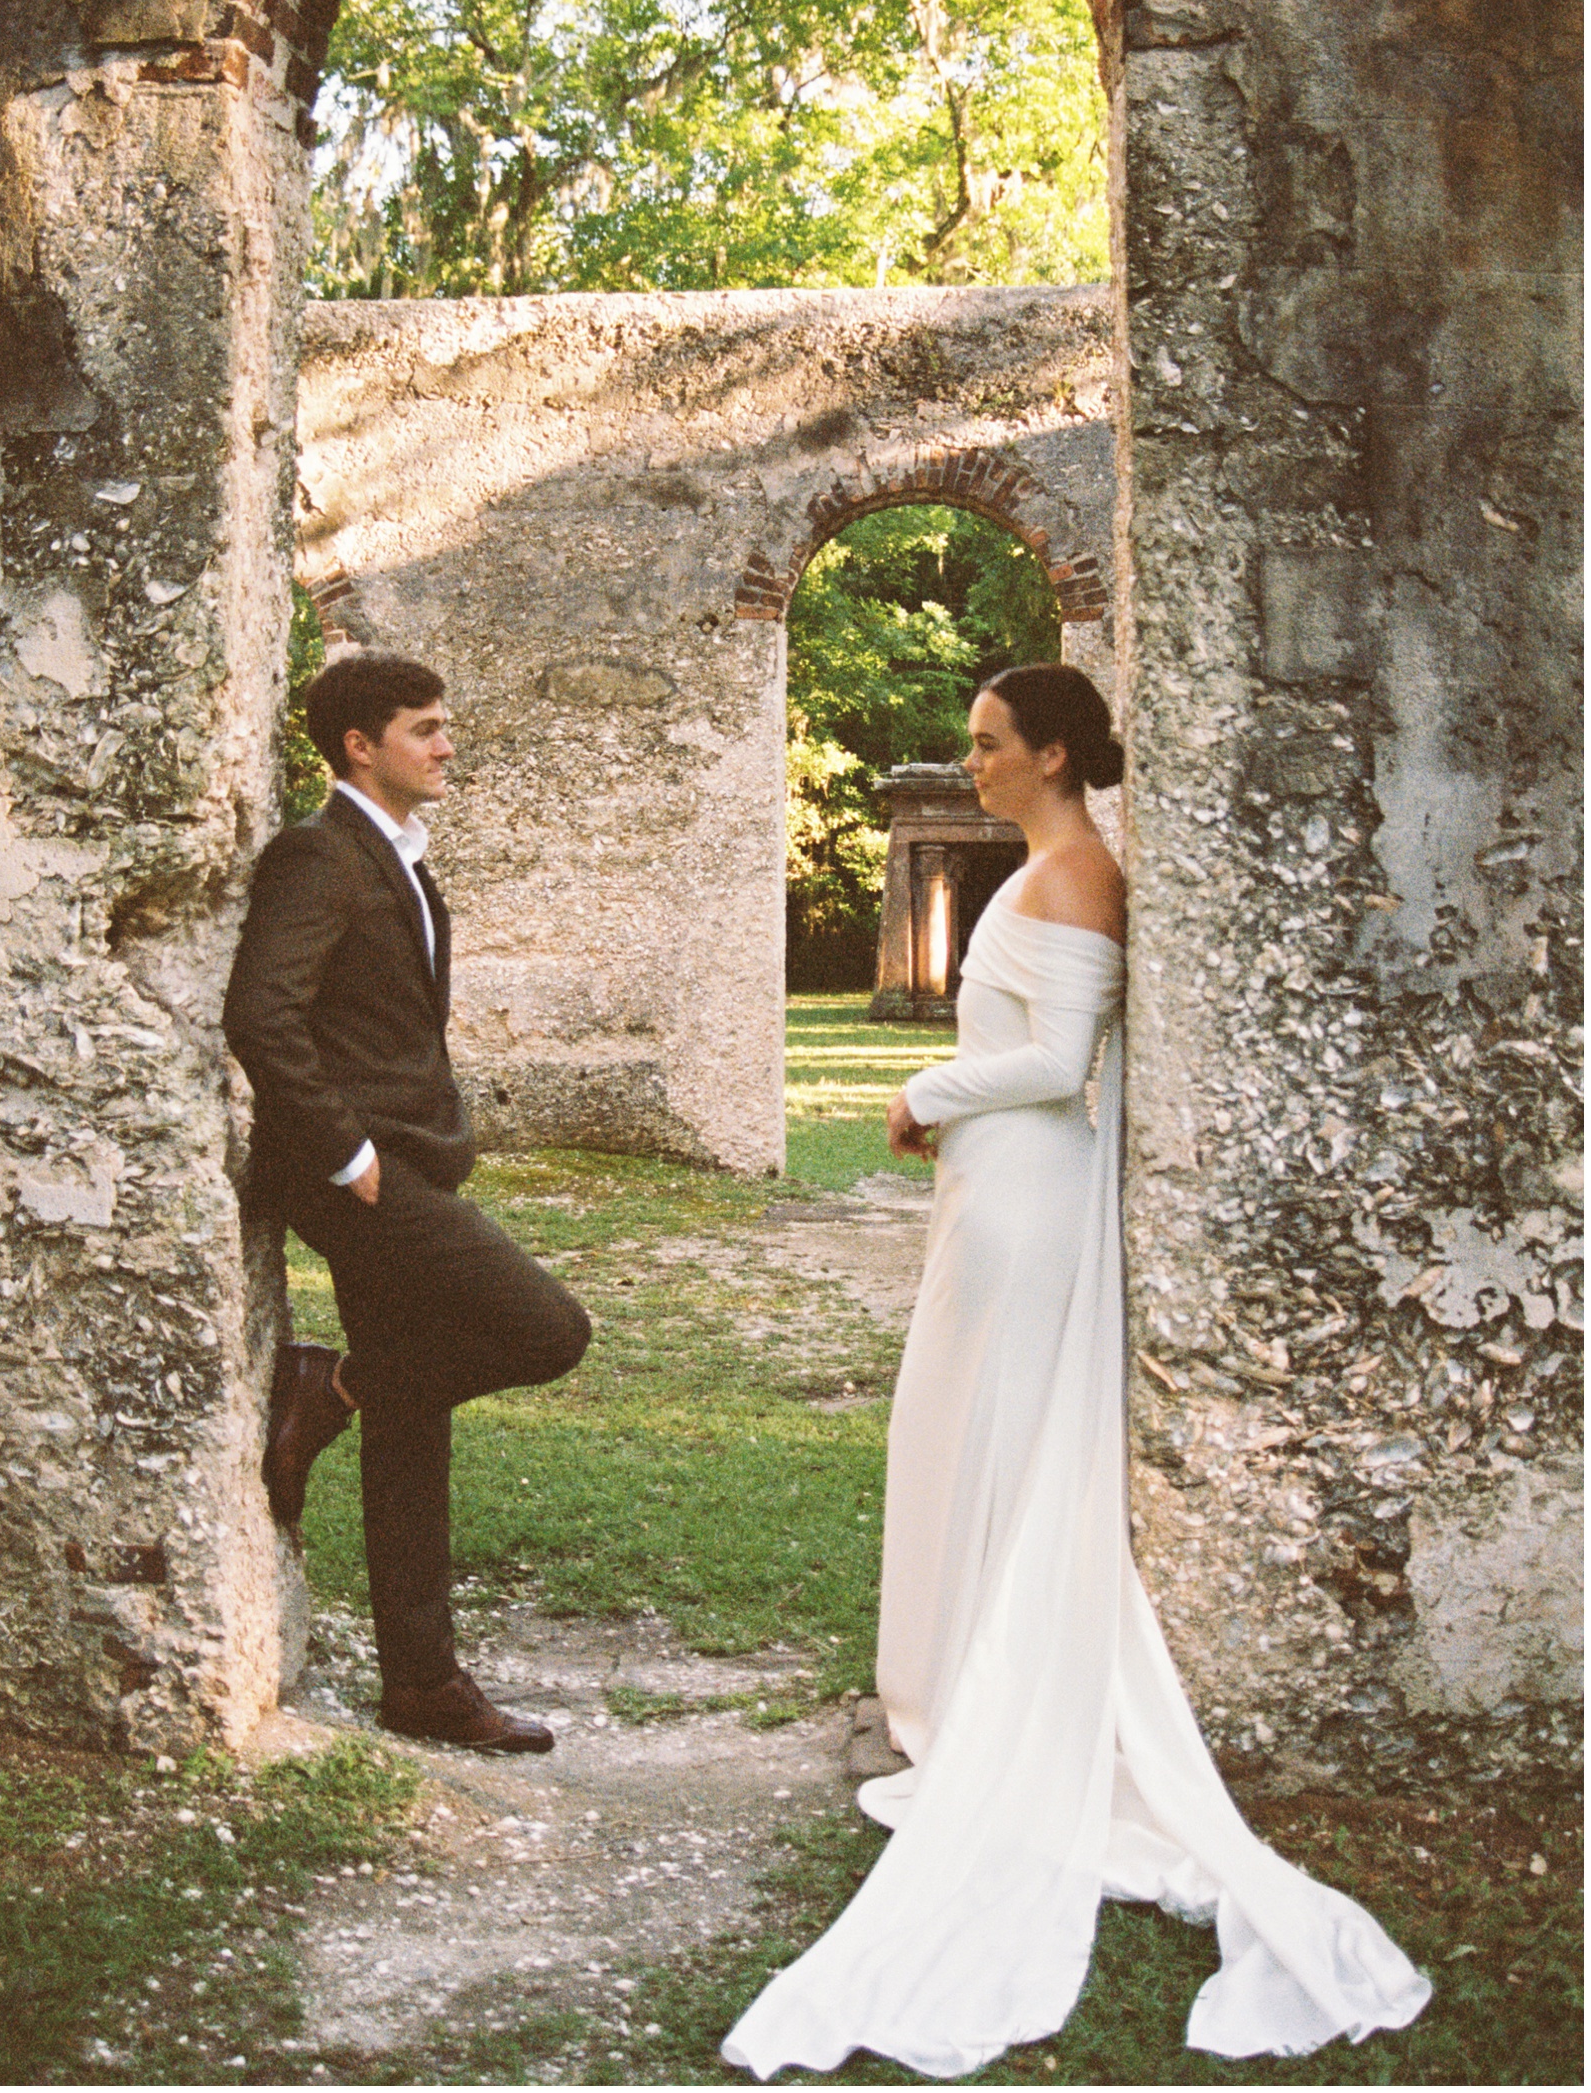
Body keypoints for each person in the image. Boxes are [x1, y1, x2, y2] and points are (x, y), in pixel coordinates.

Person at [724, 665, 1430, 2077]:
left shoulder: (1077, 870)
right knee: (951, 1425)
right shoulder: (1049, 859)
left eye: (988, 743)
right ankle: (951, 1691)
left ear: (1053, 750)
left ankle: (984, 1704)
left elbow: (1055, 1060)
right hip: (996, 1187)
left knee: (991, 1430)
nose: (969, 760)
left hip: (1030, 1188)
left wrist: (925, 1089)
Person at [223, 650, 591, 1753]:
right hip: (359, 1177)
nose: (444, 744)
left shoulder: (405, 862)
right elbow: (261, 1011)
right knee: (544, 1326)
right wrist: (343, 1151)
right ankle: (327, 1382)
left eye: (443, 726)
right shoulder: (319, 856)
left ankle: (422, 1683)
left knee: (414, 1420)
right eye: (423, 727)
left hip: (414, 1160)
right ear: (358, 745)